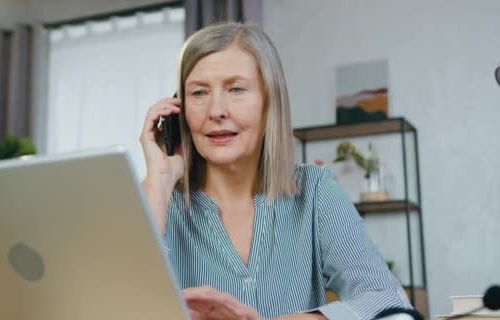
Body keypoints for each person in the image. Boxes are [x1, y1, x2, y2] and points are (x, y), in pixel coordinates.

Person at [140, 22, 411, 320]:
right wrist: (161, 182)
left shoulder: (315, 190)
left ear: (269, 102)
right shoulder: (157, 201)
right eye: (199, 93)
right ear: (180, 111)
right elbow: (126, 309)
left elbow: (387, 299)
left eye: (236, 89)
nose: (216, 111)